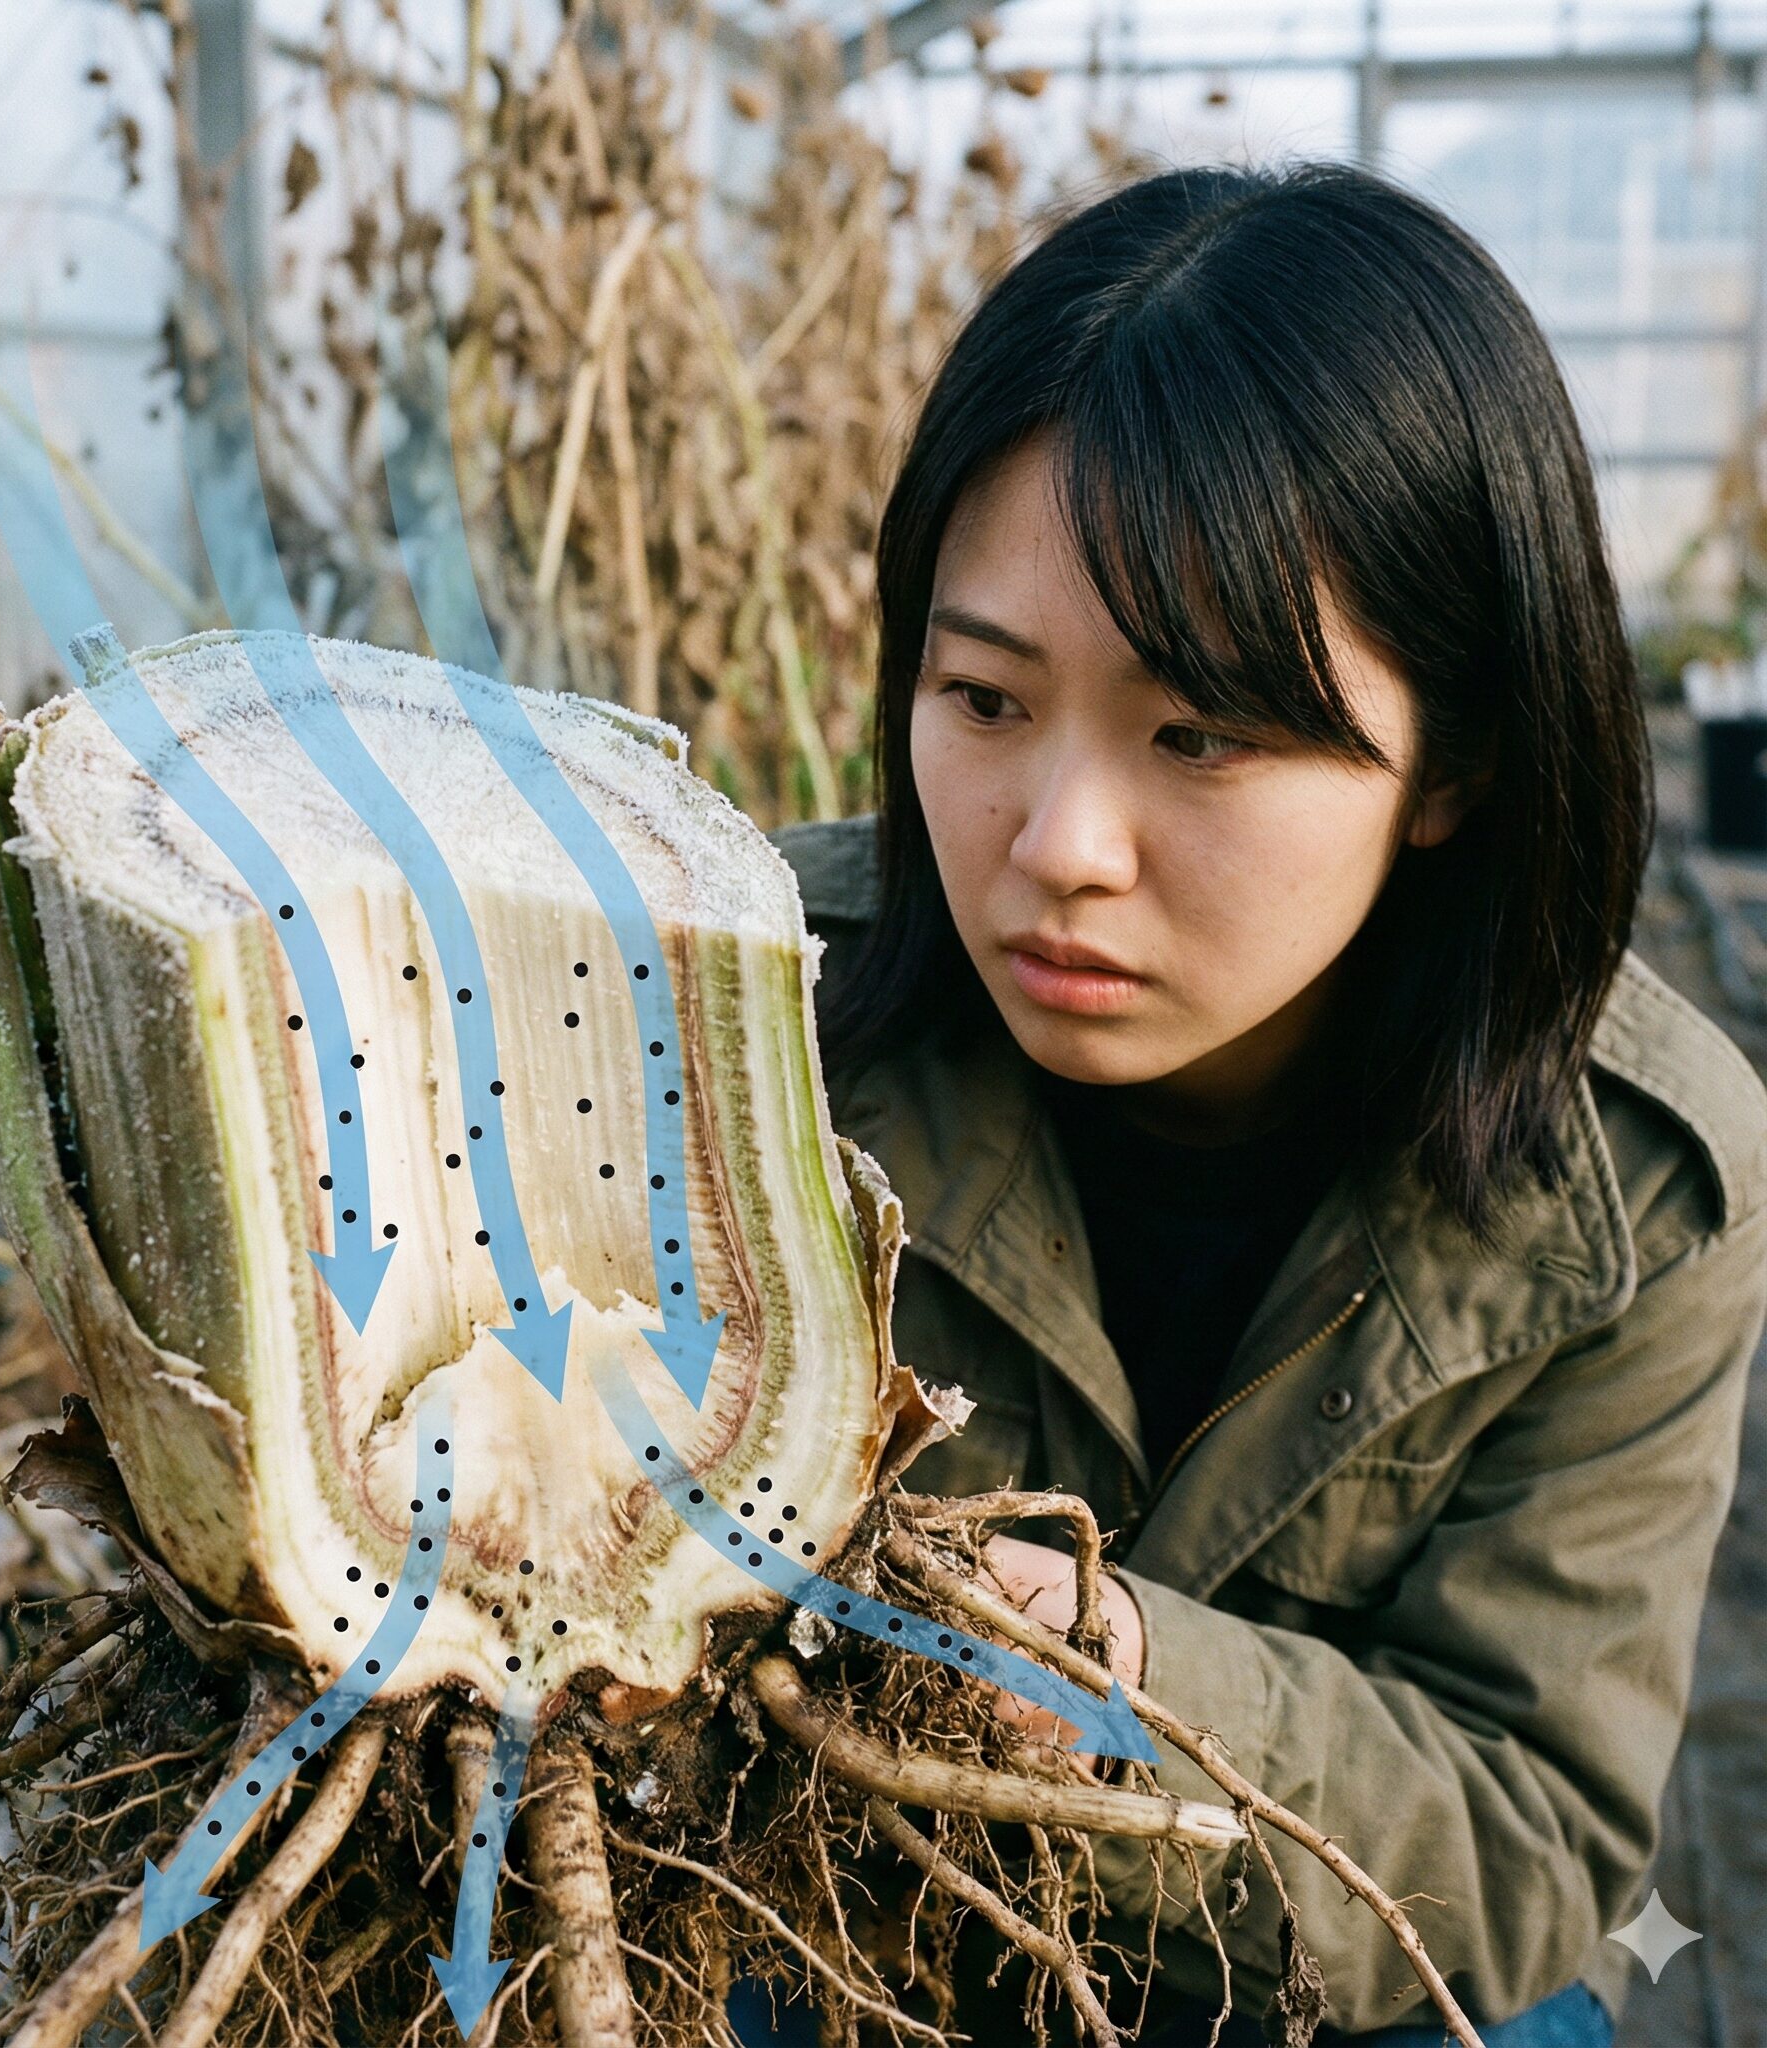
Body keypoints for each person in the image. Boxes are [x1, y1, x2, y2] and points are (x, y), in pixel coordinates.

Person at [752, 160, 1767, 2047]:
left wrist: (1115, 1674)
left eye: (1198, 735)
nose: (1055, 847)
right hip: (831, 1917)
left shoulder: (1644, 1181)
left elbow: (1526, 1824)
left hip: (1318, 1959)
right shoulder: (730, 1011)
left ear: (1450, 759)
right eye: (983, 700)